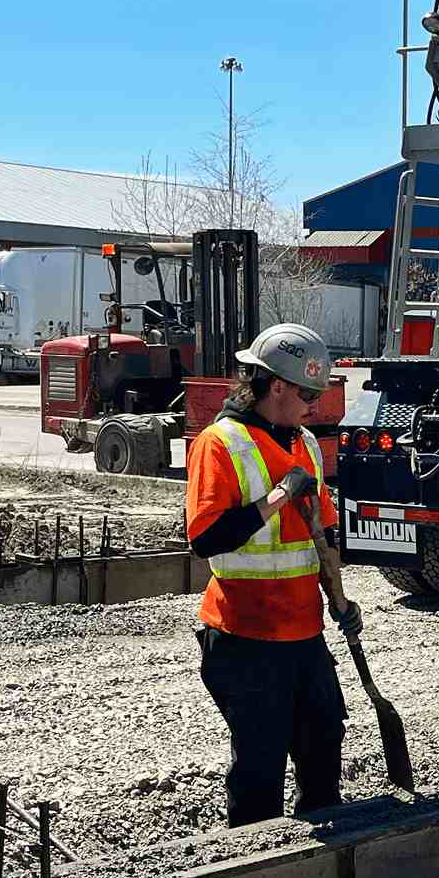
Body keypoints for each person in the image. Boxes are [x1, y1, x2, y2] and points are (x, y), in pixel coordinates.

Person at [186, 322, 362, 826]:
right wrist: (282, 494)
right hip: (245, 638)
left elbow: (322, 537)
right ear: (276, 385)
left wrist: (342, 601)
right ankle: (252, 875)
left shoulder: (304, 441)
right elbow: (207, 539)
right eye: (307, 392)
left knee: (324, 750)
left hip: (305, 634)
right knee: (259, 769)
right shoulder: (220, 443)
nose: (315, 402)